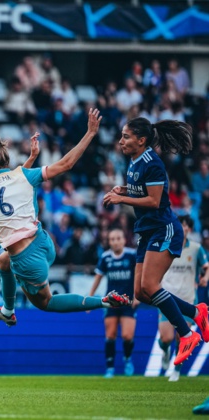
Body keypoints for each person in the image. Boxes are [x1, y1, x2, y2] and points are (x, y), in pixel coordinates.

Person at [0, 109, 130, 329]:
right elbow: (65, 165)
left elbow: (5, 184)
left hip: (27, 259)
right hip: (44, 242)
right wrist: (89, 133)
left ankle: (103, 302)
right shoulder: (23, 176)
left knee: (46, 302)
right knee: (2, 261)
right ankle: (7, 311)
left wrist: (29, 160)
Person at [103, 117, 209, 366]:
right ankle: (197, 312)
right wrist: (124, 190)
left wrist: (122, 200)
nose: (121, 141)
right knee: (141, 292)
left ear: (141, 140)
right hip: (147, 231)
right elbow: (141, 191)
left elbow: (153, 201)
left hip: (165, 229)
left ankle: (187, 334)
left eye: (126, 137)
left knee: (151, 285)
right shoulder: (134, 160)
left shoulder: (153, 164)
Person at [157, 215, 209, 382]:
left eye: (186, 225)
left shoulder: (195, 248)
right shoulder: (166, 246)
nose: (183, 228)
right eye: (181, 225)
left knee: (182, 336)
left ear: (190, 229)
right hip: (167, 297)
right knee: (166, 338)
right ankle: (165, 351)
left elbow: (206, 267)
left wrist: (205, 277)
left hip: (187, 299)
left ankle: (176, 371)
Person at [88, 229, 137, 378]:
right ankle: (110, 368)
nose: (115, 241)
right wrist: (89, 298)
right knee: (110, 335)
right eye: (112, 239)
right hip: (111, 302)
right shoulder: (106, 257)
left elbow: (139, 276)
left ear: (123, 240)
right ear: (109, 242)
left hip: (128, 302)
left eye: (118, 238)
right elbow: (98, 277)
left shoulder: (131, 255)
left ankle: (127, 359)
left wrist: (137, 296)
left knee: (128, 335)